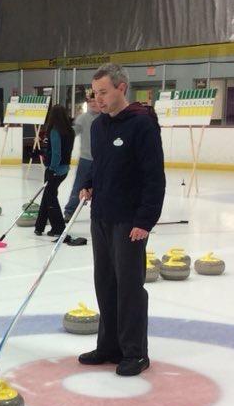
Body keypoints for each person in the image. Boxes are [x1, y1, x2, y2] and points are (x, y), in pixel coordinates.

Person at [79, 63, 165, 377]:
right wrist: (89, 182)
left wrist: (145, 220)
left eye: (103, 92)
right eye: (95, 93)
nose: (98, 99)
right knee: (105, 283)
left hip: (130, 222)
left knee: (129, 287)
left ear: (121, 88)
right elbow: (99, 164)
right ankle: (109, 346)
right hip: (101, 216)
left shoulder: (142, 125)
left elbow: (154, 176)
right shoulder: (100, 126)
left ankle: (134, 352)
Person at [33, 104, 74, 242]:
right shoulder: (69, 130)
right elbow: (60, 150)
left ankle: (59, 228)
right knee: (48, 195)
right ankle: (39, 226)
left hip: (55, 170)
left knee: (50, 198)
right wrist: (41, 152)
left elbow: (56, 153)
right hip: (64, 169)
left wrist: (52, 169)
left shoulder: (55, 131)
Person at [63, 91, 99, 221]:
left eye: (95, 101)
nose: (93, 104)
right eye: (90, 102)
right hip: (86, 160)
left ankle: (101, 212)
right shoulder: (83, 118)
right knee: (79, 186)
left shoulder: (106, 117)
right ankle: (70, 211)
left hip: (102, 160)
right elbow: (73, 133)